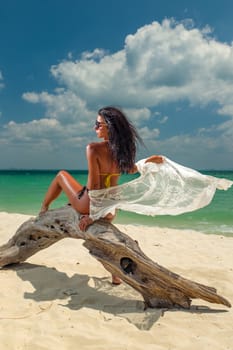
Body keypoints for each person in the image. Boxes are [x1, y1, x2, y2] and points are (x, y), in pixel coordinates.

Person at [40, 106, 163, 285]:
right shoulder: (123, 150)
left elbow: (96, 186)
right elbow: (132, 169)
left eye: (98, 124)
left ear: (109, 128)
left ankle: (43, 209)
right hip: (111, 209)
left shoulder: (93, 149)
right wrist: (149, 161)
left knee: (61, 175)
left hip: (90, 205)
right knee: (99, 240)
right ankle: (115, 276)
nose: (94, 128)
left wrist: (91, 216)